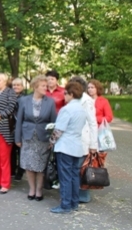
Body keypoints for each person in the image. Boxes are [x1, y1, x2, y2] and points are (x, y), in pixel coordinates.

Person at [15, 75, 57, 201]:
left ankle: (39, 190)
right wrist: (17, 138)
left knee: (40, 166)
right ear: (35, 87)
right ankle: (31, 189)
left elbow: (54, 123)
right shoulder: (24, 100)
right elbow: (19, 121)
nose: (46, 87)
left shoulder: (50, 102)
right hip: (27, 137)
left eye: (46, 85)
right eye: (43, 86)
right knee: (28, 164)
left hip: (43, 138)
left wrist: (52, 140)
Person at [49, 82, 86, 214]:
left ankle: (65, 204)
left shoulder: (66, 109)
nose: (64, 96)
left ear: (71, 94)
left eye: (65, 93)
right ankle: (74, 202)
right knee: (74, 176)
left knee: (65, 177)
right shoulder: (82, 109)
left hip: (65, 146)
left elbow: (59, 130)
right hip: (77, 145)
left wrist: (51, 141)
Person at [69, 76, 98, 203]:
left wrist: (93, 144)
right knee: (74, 169)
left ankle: (83, 196)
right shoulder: (73, 98)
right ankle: (74, 194)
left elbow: (92, 123)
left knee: (82, 169)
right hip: (72, 138)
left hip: (83, 139)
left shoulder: (87, 101)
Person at [11, 77, 25, 181]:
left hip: (21, 126)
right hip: (10, 126)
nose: (16, 87)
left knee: (21, 150)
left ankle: (20, 171)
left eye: (18, 85)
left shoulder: (26, 98)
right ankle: (12, 169)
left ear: (22, 87)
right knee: (11, 149)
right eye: (14, 85)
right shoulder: (8, 97)